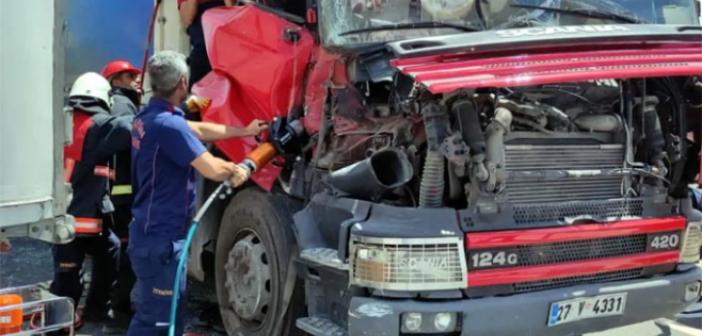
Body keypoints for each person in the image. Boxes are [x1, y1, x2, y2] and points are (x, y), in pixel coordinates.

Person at [127, 50, 267, 335]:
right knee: (156, 322)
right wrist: (238, 168)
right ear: (182, 82)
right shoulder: (169, 125)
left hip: (154, 235)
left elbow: (199, 129)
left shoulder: (150, 116)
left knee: (169, 316)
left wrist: (244, 131)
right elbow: (212, 169)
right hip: (160, 240)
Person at [51, 72, 133, 328]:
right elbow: (129, 127)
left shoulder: (62, 121)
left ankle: (87, 312)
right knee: (69, 279)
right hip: (80, 219)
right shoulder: (98, 125)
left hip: (67, 217)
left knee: (107, 253)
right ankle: (62, 321)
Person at [102, 60, 142, 316]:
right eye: (130, 76)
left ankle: (116, 302)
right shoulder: (120, 105)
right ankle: (118, 305)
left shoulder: (125, 104)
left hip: (120, 195)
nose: (137, 80)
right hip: (122, 197)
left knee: (122, 251)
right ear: (116, 80)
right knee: (125, 252)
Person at [177, 0, 234, 88]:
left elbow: (234, 9)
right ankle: (196, 99)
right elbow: (188, 19)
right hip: (203, 34)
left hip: (230, 21)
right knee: (202, 54)